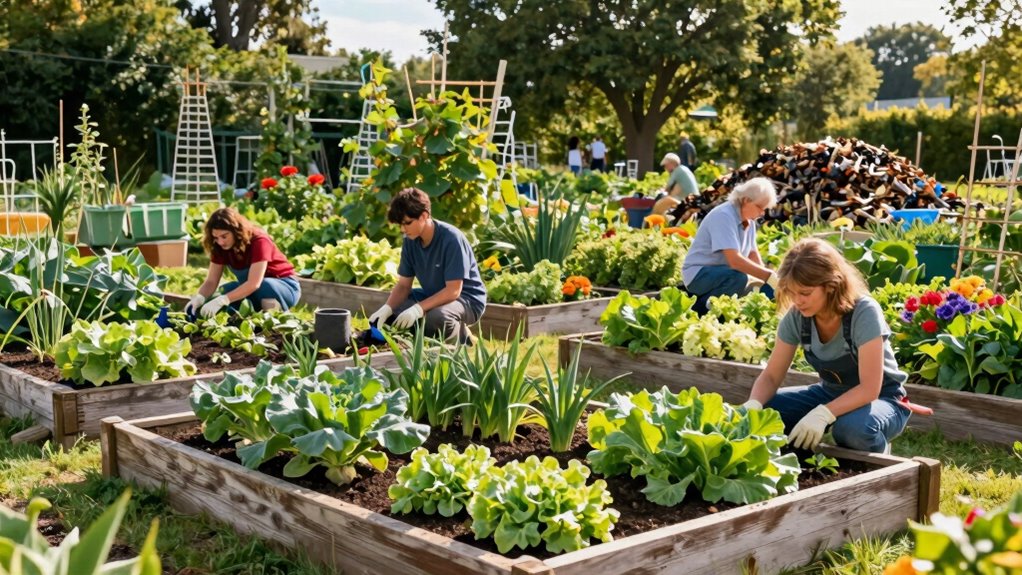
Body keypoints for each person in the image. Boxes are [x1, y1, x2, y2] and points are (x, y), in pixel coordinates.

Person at [741, 238, 912, 453]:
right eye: (792, 293)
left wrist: (823, 414)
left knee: (851, 429)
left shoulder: (864, 312)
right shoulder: (797, 317)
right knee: (767, 412)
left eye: (805, 293)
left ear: (831, 285)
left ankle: (881, 459)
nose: (797, 301)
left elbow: (870, 388)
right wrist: (754, 404)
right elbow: (772, 376)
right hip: (830, 393)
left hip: (883, 398)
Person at [368, 188, 486, 343]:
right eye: (400, 225)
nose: (403, 229)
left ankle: (464, 336)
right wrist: (387, 308)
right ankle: (421, 334)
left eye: (407, 223)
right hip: (433, 294)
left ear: (424, 215)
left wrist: (418, 309)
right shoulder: (410, 241)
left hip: (467, 299)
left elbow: (454, 291)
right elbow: (404, 286)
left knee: (436, 317)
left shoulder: (451, 239)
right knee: (394, 309)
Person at [681, 177, 778, 313]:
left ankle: (719, 310)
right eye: (760, 207)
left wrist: (767, 280)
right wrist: (768, 276)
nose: (762, 213)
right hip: (699, 275)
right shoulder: (724, 216)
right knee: (738, 278)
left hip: (722, 274)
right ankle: (699, 310)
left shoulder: (749, 222)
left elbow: (752, 254)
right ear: (746, 200)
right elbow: (735, 261)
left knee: (758, 285)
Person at [185, 207, 301, 318]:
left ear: (236, 231)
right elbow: (211, 281)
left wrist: (224, 300)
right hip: (251, 288)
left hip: (283, 287)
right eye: (215, 237)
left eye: (224, 236)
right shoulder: (220, 247)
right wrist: (199, 298)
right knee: (224, 290)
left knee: (264, 285)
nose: (220, 242)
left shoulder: (259, 241)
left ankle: (275, 318)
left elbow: (254, 283)